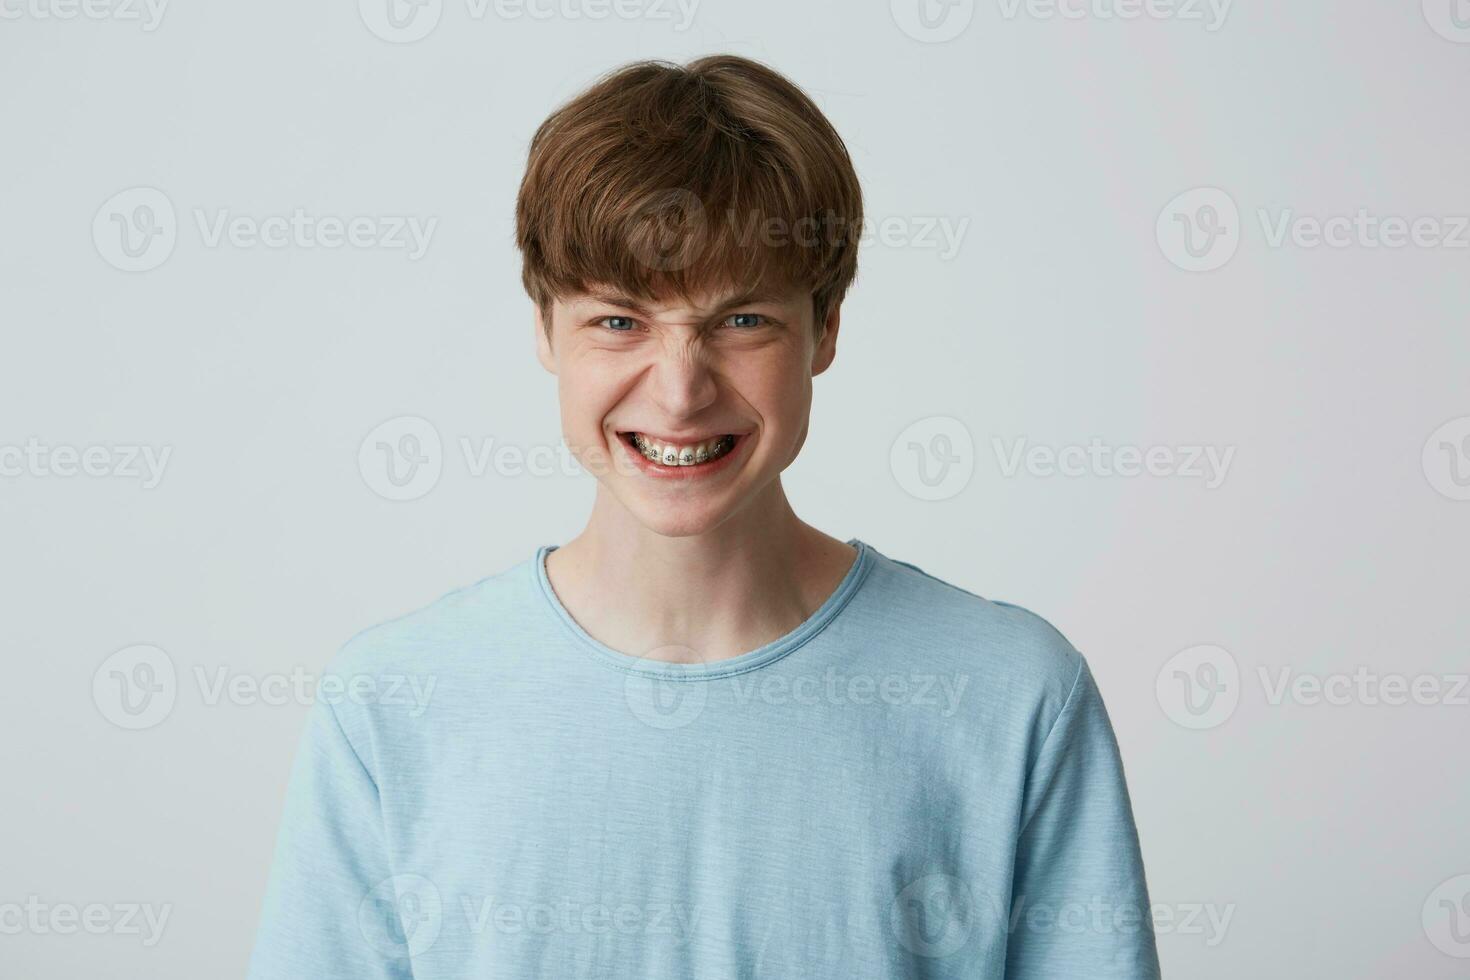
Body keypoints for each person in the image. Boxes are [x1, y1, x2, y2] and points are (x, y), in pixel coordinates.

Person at [245, 54, 1161, 979]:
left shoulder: (1010, 695)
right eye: (619, 321)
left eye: (742, 320)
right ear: (544, 328)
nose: (680, 392)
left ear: (827, 328)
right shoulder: (394, 704)